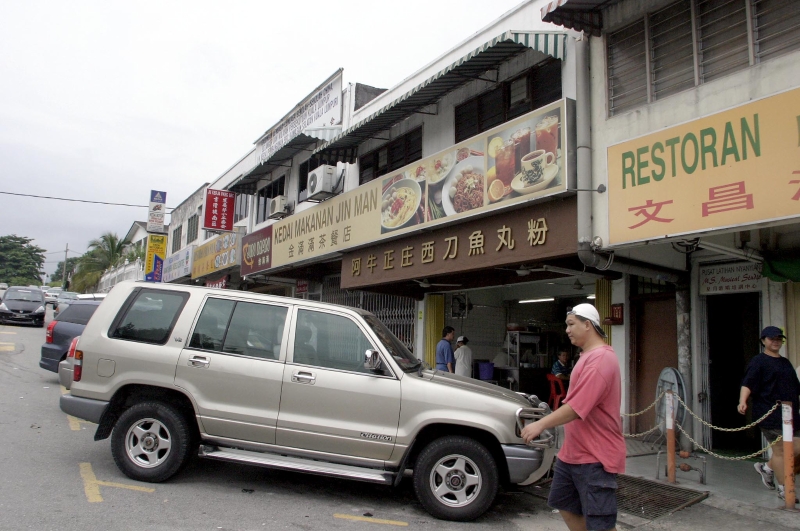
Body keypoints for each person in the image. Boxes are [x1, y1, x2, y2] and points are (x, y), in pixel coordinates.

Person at [522, 303, 624, 531]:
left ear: (587, 325)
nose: (567, 330)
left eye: (571, 324)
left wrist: (540, 424)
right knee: (564, 505)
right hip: (574, 454)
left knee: (601, 523)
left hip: (595, 456)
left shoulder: (601, 360)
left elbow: (577, 407)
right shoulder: (585, 356)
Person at [738, 325, 800, 503]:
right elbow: (747, 383)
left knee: (792, 450)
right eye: (772, 339)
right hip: (769, 414)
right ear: (763, 341)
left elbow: (795, 387)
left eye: (779, 339)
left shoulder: (785, 362)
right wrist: (742, 401)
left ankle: (767, 468)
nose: (776, 342)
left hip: (791, 415)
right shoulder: (758, 361)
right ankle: (785, 489)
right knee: (782, 451)